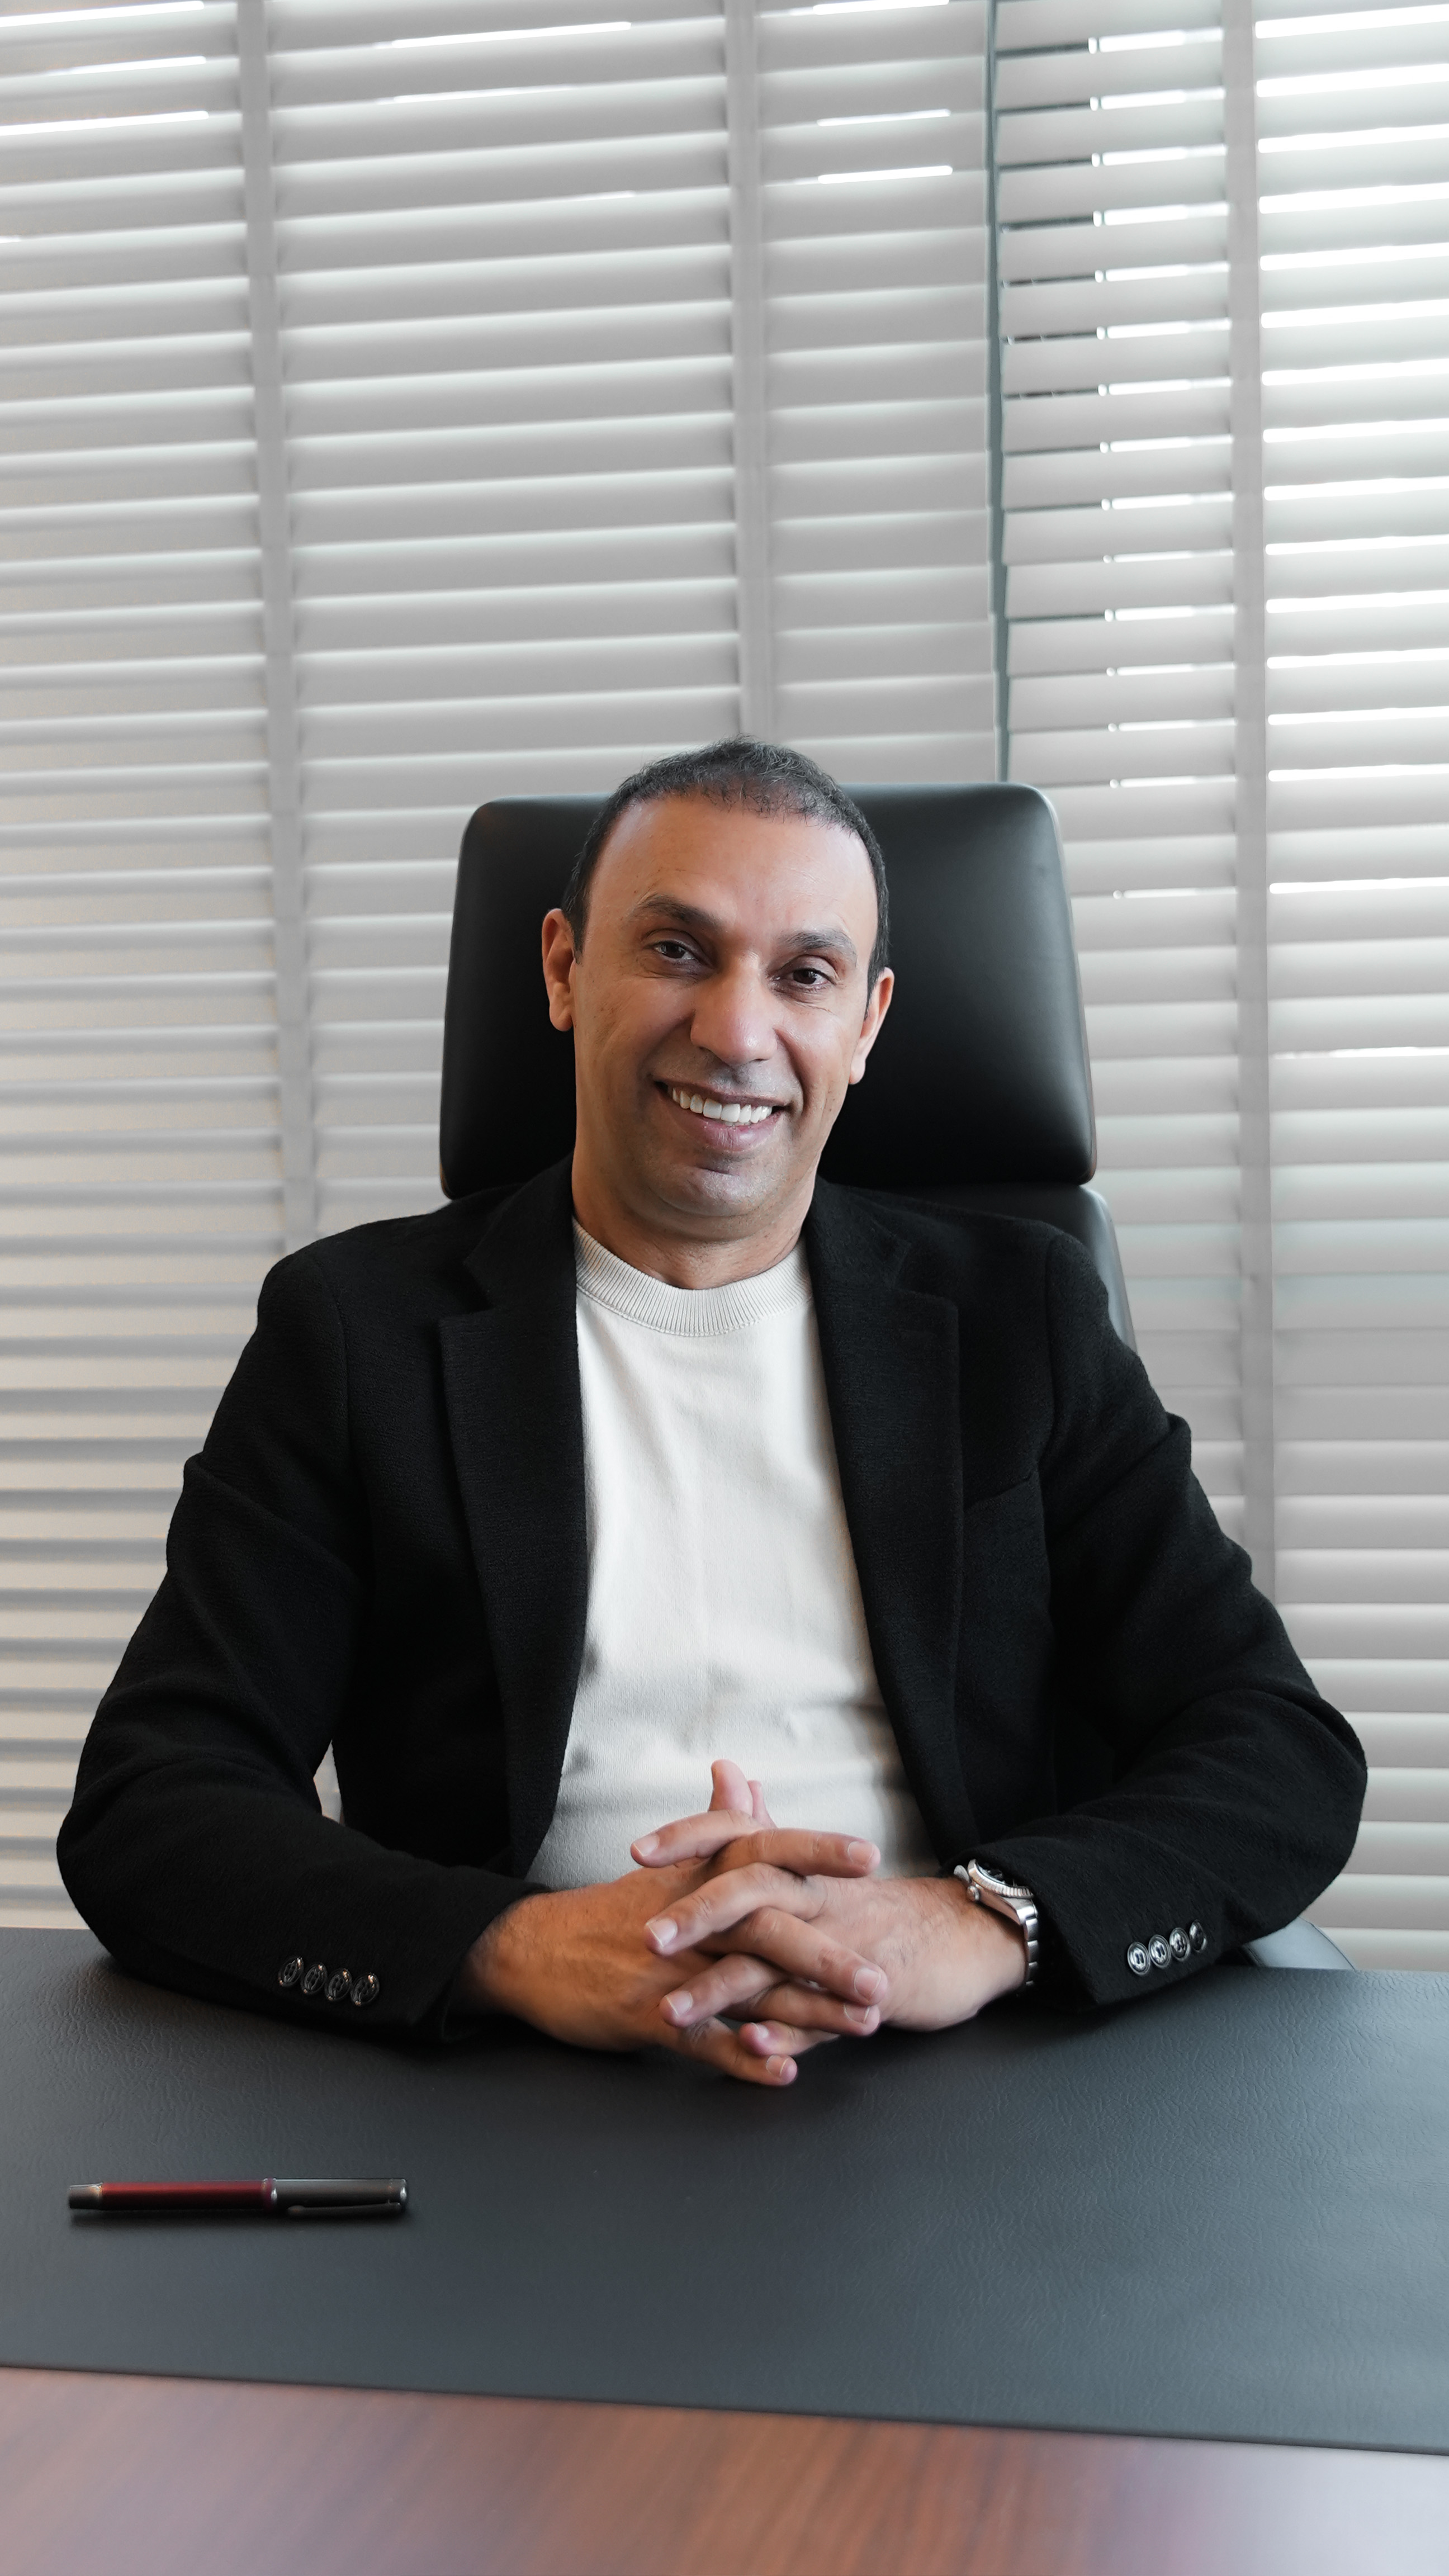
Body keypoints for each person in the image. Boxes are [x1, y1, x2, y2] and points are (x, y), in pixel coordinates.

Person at [59, 741, 1366, 2088]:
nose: (738, 1033)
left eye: (806, 974)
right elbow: (156, 1798)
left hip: (958, 2069)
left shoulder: (1017, 1317)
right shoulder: (355, 1333)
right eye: (679, 951)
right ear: (565, 969)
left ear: (867, 1022)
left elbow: (1273, 1745)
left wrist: (982, 1921)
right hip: (519, 2080)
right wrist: (513, 1946)